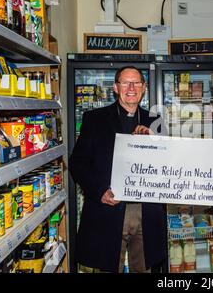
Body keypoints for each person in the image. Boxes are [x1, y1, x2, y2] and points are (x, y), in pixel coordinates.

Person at [69, 66, 167, 273]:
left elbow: (168, 164)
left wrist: (155, 140)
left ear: (144, 88)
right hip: (107, 209)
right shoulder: (94, 118)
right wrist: (99, 191)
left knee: (145, 269)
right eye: (125, 83)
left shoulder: (156, 122)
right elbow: (78, 163)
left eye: (136, 83)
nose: (131, 88)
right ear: (116, 87)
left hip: (146, 212)